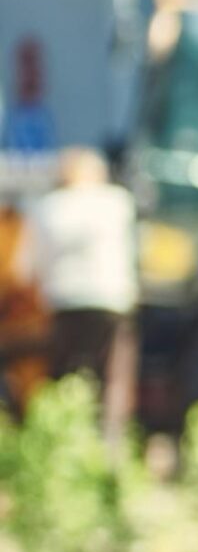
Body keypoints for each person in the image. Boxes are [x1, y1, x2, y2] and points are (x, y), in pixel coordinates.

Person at [22, 147, 137, 437]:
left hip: (63, 303)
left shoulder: (47, 208)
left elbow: (27, 267)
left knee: (64, 373)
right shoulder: (117, 203)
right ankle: (110, 444)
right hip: (110, 301)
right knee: (113, 377)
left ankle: (61, 438)